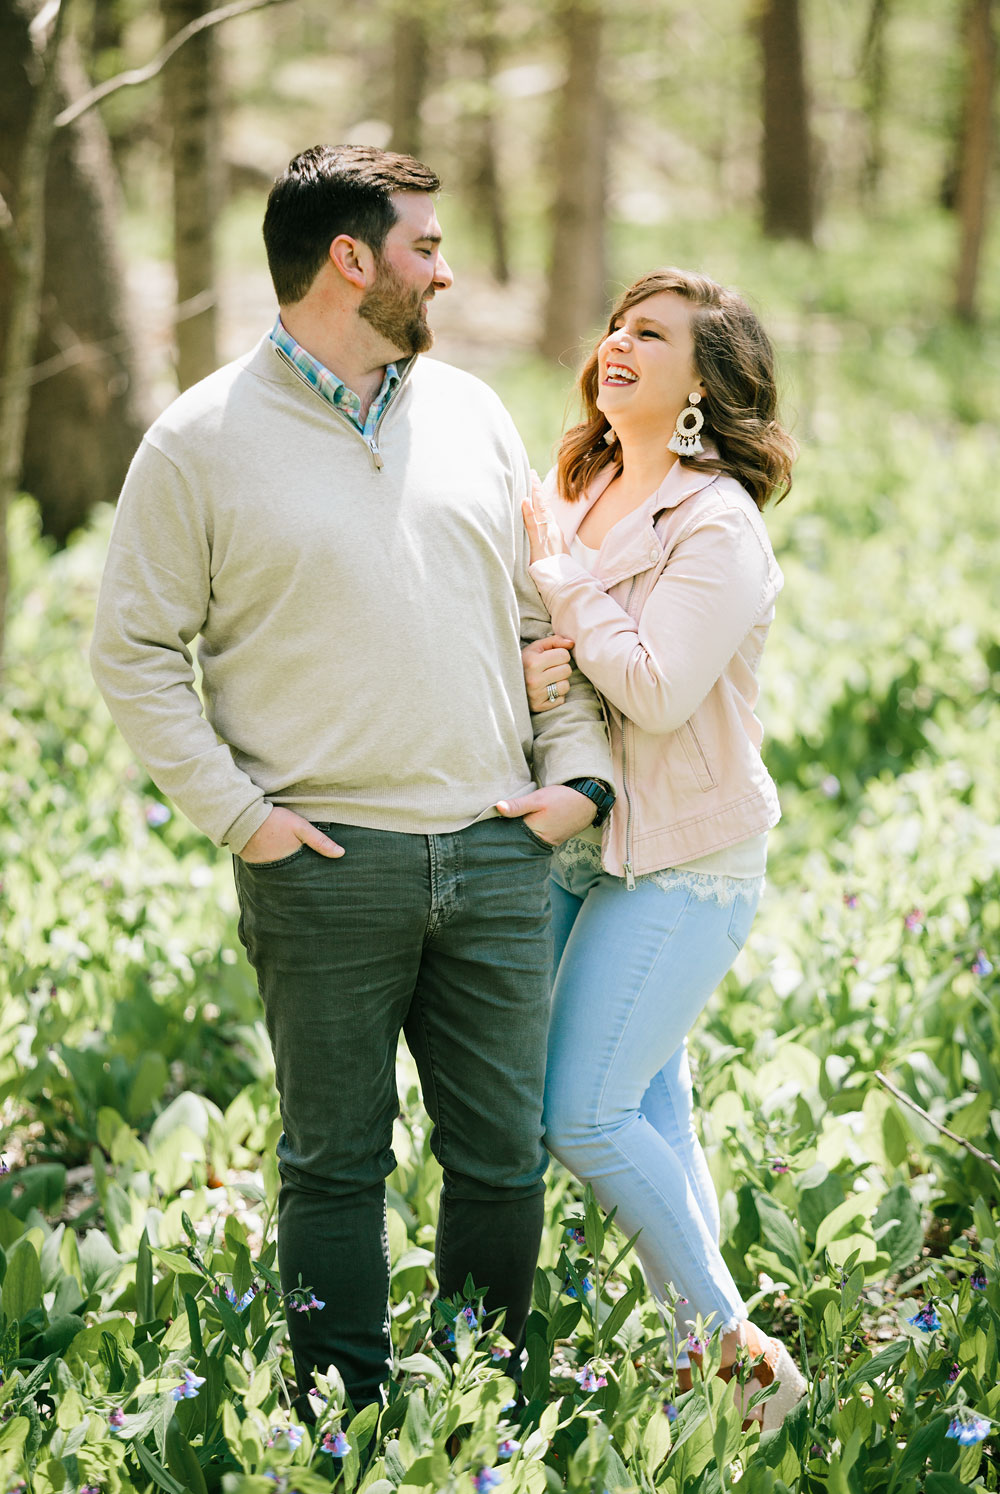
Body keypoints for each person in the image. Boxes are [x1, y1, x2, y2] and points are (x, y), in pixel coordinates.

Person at [90, 143, 615, 1413]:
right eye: (424, 248)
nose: (445, 270)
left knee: (499, 1162)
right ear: (350, 260)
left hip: (494, 850)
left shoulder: (477, 415)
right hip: (324, 867)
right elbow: (134, 652)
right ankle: (350, 1428)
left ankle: (484, 1409)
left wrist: (578, 776)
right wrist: (245, 820)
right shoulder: (197, 441)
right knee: (335, 1169)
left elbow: (538, 618)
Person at [520, 267, 806, 1427]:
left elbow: (651, 686)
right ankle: (719, 1369)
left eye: (654, 334)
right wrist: (540, 654)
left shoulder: (716, 523)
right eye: (616, 326)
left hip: (685, 862)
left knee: (579, 1115)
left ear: (704, 384)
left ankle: (746, 1365)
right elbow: (553, 645)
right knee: (648, 1113)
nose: (618, 344)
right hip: (582, 844)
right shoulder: (576, 481)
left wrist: (565, 593)